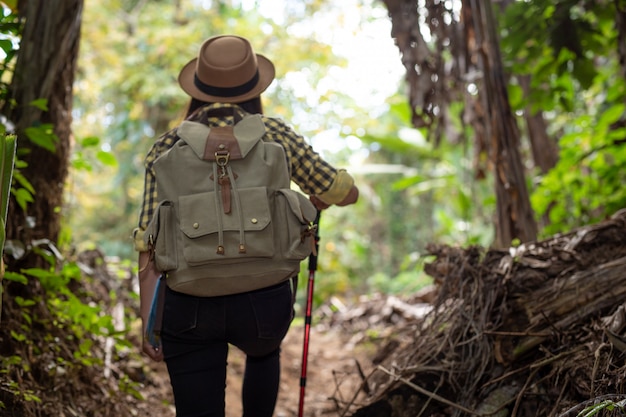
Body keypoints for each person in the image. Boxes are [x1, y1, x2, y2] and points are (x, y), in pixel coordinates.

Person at [132, 34, 359, 417]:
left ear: (198, 89)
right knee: (264, 352)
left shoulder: (165, 148)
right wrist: (322, 198)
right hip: (265, 302)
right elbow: (342, 191)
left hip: (189, 303)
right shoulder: (277, 136)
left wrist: (148, 323)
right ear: (253, 87)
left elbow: (147, 246)